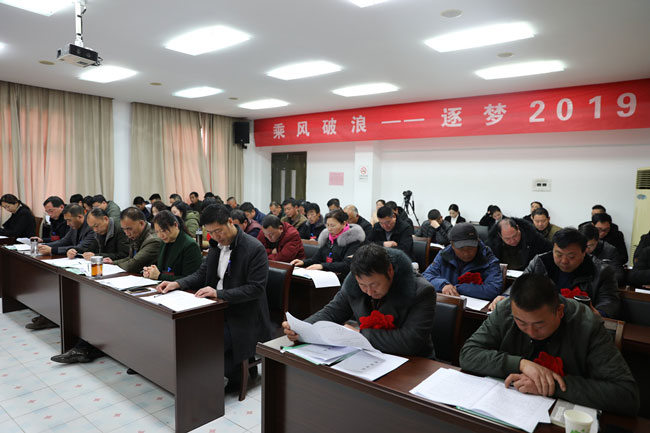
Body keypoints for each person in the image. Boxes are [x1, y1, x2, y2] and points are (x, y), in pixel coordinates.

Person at [459, 273, 639, 416]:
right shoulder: (505, 310)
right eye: (521, 323)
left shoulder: (587, 325)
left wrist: (550, 385)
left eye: (539, 325)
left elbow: (626, 395)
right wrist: (521, 364)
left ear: (559, 311)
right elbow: (468, 354)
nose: (530, 331)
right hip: (508, 410)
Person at [156, 204, 272, 390]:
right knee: (185, 331)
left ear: (230, 222)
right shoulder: (216, 246)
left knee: (206, 340)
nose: (216, 236)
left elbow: (255, 289)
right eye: (210, 233)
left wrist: (218, 293)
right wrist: (178, 283)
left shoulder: (254, 248)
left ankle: (230, 377)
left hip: (244, 314)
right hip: (216, 308)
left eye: (218, 231)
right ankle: (204, 378)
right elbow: (201, 273)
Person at [283, 244, 437, 358]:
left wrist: (359, 335)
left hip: (413, 363)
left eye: (375, 285)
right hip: (368, 356)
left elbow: (411, 341)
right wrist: (302, 328)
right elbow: (332, 312)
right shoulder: (354, 282)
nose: (369, 292)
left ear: (390, 271)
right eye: (363, 285)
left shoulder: (421, 291)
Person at [523, 228, 620, 318]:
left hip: (582, 320)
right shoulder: (539, 263)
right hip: (542, 317)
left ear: (584, 252)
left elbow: (609, 300)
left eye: (571, 256)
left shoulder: (601, 271)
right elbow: (522, 289)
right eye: (559, 254)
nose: (564, 261)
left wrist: (598, 314)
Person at [423, 223, 502, 301]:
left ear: (477, 242)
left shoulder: (488, 259)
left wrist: (458, 288)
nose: (466, 253)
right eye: (461, 249)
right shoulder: (444, 255)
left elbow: (494, 289)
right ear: (452, 245)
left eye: (471, 248)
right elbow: (426, 276)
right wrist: (443, 285)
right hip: (448, 304)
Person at [291, 209, 365, 278]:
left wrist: (323, 266)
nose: (329, 229)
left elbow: (347, 265)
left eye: (332, 225)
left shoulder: (354, 240)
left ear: (344, 224)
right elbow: (316, 259)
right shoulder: (327, 238)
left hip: (342, 278)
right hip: (326, 274)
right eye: (327, 225)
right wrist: (303, 262)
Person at [142, 210, 202, 281]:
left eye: (163, 230)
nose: (160, 235)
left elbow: (191, 279)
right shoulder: (164, 242)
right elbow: (162, 269)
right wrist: (150, 272)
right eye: (157, 232)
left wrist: (160, 276)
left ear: (175, 225)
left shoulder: (190, 245)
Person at [107, 207, 162, 273]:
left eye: (129, 229)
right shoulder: (137, 235)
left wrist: (112, 267)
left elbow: (133, 264)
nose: (127, 233)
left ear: (141, 223)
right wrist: (112, 263)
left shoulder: (153, 241)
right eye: (124, 229)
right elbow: (130, 258)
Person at [486, 217, 552, 271]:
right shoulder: (492, 245)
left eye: (515, 236)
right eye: (507, 239)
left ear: (518, 228)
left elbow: (550, 251)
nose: (512, 241)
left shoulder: (534, 238)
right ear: (500, 235)